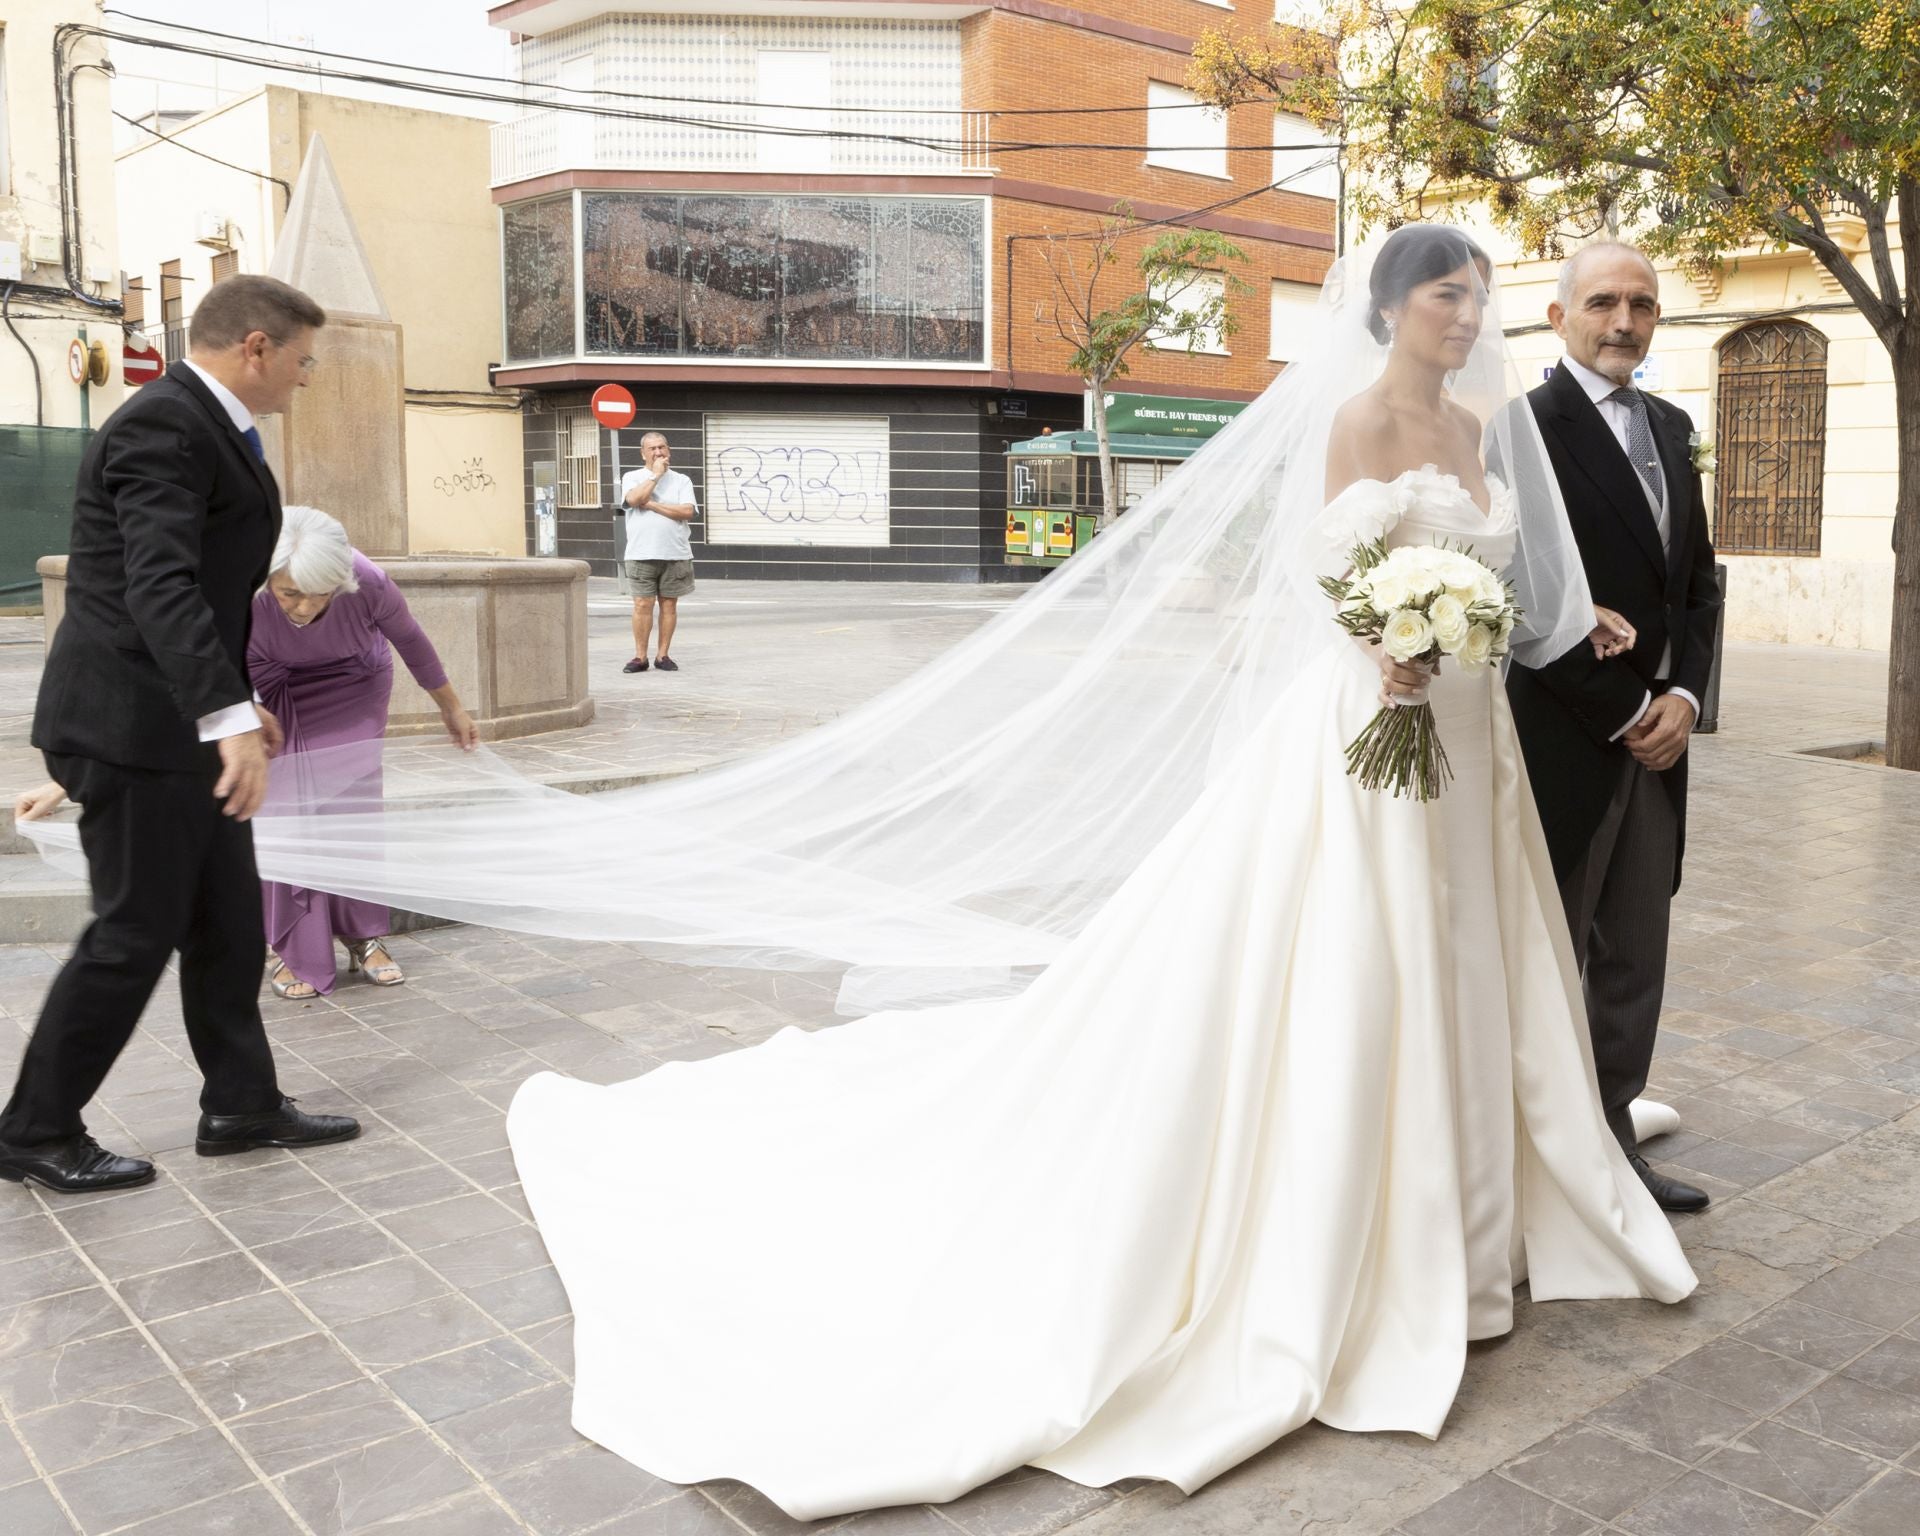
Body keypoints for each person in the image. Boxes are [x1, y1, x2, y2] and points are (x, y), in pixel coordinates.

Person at [493, 227, 1696, 1520]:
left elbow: (1498, 576)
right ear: (1393, 308)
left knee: (1467, 956)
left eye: (1476, 300)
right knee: (1371, 958)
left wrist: (1564, 621)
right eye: (1449, 299)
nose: (1469, 319)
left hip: (1472, 744)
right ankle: (1374, 1225)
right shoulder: (1353, 424)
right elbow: (1316, 578)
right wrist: (1384, 641)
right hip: (1374, 724)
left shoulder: (1477, 429)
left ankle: (1471, 1209)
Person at [0, 275, 358, 1194]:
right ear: (256, 348)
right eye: (303, 359)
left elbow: (198, 588)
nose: (306, 378)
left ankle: (240, 1104)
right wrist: (224, 715)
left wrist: (238, 705)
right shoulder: (164, 423)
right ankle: (33, 1129)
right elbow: (154, 584)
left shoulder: (206, 425)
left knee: (228, 926)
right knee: (131, 934)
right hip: (129, 724)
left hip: (180, 724)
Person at [1505, 242, 1723, 1214]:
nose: (1623, 321)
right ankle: (1537, 1163)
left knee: (1637, 954)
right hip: (1562, 744)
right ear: (1559, 318)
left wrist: (1682, 699)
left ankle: (1615, 1143)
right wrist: (1630, 708)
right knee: (1547, 960)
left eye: (1642, 304)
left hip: (1661, 748)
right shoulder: (1520, 430)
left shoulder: (1674, 427)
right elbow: (1516, 604)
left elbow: (1698, 587)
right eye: (1602, 303)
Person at [250, 505, 479, 999]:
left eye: (319, 595)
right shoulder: (237, 577)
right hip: (268, 689)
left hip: (352, 687)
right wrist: (243, 707)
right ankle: (290, 944)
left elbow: (412, 642)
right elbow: (204, 650)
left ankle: (362, 932)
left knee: (347, 806)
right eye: (289, 593)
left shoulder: (368, 580)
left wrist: (452, 708)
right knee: (284, 813)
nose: (304, 608)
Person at [617, 431, 696, 674]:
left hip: (675, 552)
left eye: (662, 447)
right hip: (641, 552)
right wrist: (656, 476)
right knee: (642, 604)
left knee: (669, 605)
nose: (658, 452)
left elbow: (686, 512)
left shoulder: (682, 480)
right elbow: (632, 499)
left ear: (668, 450)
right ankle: (640, 657)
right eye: (652, 449)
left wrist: (650, 505)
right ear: (643, 454)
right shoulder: (632, 477)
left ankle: (663, 655)